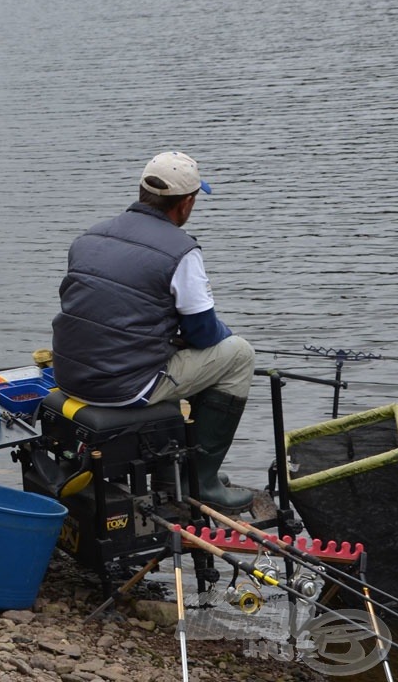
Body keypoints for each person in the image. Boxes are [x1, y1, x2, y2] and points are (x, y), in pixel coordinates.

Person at [51, 151, 256, 514]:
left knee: (183, 356)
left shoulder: (90, 236)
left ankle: (174, 469)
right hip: (123, 387)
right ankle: (202, 481)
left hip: (70, 376)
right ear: (186, 203)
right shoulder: (182, 250)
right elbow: (206, 333)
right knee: (238, 354)